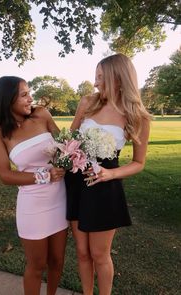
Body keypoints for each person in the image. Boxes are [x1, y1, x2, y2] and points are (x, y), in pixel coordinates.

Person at [65, 53, 151, 295]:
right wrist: (61, 158)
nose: (95, 83)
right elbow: (69, 141)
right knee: (82, 252)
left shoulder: (138, 116)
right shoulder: (87, 103)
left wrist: (111, 175)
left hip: (104, 187)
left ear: (119, 79)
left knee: (99, 254)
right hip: (76, 183)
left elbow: (138, 162)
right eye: (95, 76)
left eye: (101, 77)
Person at [0, 76, 68, 295]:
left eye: (29, 93)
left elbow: (66, 146)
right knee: (37, 265)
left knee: (57, 260)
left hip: (59, 199)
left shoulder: (42, 114)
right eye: (24, 94)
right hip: (32, 206)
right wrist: (45, 176)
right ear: (8, 99)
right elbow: (5, 175)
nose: (30, 98)